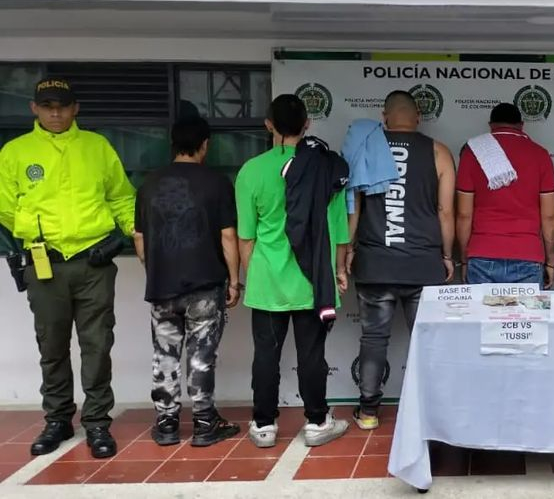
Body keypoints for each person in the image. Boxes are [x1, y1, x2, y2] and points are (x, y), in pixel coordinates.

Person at [0, 78, 135, 458]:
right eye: (48, 106)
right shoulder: (15, 152)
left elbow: (121, 197)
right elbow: (5, 208)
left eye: (62, 106)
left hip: (94, 262)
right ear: (34, 109)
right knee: (52, 345)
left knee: (98, 345)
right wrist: (34, 233)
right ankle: (58, 420)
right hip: (45, 265)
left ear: (76, 108)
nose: (56, 113)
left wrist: (132, 232)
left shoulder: (97, 146)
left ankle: (97, 422)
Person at [237, 94, 350, 448]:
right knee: (312, 355)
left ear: (268, 125)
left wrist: (254, 275)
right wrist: (339, 269)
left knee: (266, 355)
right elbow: (339, 230)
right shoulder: (326, 166)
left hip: (267, 280)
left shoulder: (251, 170)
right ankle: (317, 422)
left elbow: (246, 236)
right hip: (312, 279)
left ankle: (263, 425)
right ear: (307, 124)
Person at [350, 90, 456, 431]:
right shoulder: (439, 152)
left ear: (384, 116)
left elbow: (354, 205)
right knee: (427, 339)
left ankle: (368, 411)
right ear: (418, 117)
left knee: (373, 338)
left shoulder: (368, 148)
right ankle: (432, 412)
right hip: (422, 264)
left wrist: (347, 250)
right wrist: (447, 255)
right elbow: (446, 211)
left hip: (375, 263)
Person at [134, 117, 242, 447]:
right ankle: (204, 424)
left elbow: (139, 237)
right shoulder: (217, 182)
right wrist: (234, 280)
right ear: (204, 145)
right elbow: (228, 236)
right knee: (201, 355)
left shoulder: (149, 184)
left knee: (164, 354)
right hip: (205, 285)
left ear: (173, 144)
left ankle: (167, 424)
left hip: (162, 286)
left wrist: (155, 268)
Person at [456, 102, 554, 287]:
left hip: (482, 253)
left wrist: (464, 260)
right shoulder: (541, 155)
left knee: (481, 308)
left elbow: (464, 215)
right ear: (522, 125)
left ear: (490, 125)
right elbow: (549, 217)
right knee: (526, 309)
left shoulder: (471, 153)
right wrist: (550, 262)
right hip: (528, 254)